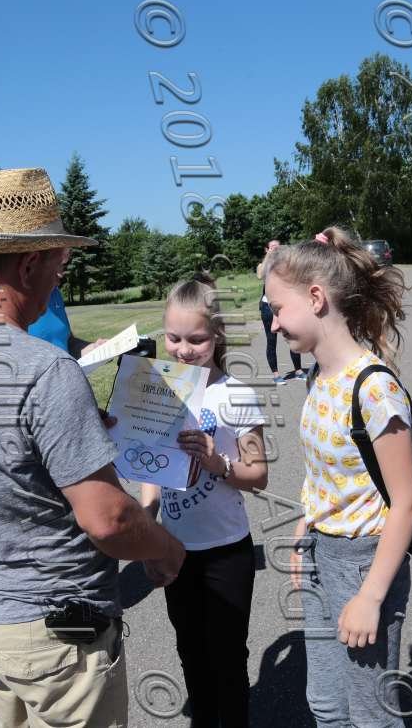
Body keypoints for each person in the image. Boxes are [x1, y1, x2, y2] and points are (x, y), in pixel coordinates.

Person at [0, 168, 186, 728]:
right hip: (54, 635)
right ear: (30, 264)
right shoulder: (46, 369)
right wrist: (164, 548)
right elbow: (109, 521)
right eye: (59, 265)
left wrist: (71, 435)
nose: (60, 278)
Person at [265, 226, 412, 728]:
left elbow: (407, 501)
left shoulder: (374, 389)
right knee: (328, 706)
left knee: (371, 715)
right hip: (320, 552)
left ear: (316, 298)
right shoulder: (318, 377)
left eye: (277, 309)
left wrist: (371, 596)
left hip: (362, 564)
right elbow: (325, 474)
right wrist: (304, 528)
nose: (273, 324)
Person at [138, 276, 269, 728]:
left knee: (228, 656)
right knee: (190, 651)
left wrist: (218, 463)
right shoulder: (158, 389)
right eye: (173, 338)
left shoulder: (236, 394)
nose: (183, 350)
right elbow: (152, 473)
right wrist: (148, 533)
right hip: (176, 550)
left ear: (218, 336)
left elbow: (258, 474)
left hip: (226, 550)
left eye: (196, 339)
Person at [257, 239, 304, 383]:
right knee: (271, 341)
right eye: (272, 247)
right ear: (266, 250)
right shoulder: (263, 265)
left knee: (293, 336)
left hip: (286, 305)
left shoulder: (286, 264)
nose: (276, 249)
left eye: (278, 246)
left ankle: (298, 370)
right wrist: (269, 256)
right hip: (268, 307)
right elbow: (260, 275)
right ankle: (276, 375)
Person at [28, 282, 107, 357]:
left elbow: (68, 343)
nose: (62, 274)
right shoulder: (23, 297)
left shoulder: (55, 293)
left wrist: (94, 348)